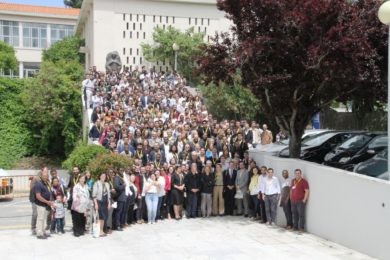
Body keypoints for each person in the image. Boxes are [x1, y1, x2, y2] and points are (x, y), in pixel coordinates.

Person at [33, 166, 55, 239]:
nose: (45, 177)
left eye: (46, 176)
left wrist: (50, 202)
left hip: (46, 205)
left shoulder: (47, 183)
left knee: (44, 219)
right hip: (41, 204)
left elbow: (49, 192)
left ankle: (43, 231)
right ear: (41, 176)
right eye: (44, 176)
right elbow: (38, 196)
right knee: (40, 219)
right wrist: (47, 202)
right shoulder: (39, 184)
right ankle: (39, 233)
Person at [93, 172, 111, 237]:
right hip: (99, 201)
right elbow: (94, 195)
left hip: (105, 202)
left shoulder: (107, 184)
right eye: (102, 175)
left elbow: (109, 195)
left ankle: (102, 230)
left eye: (104, 176)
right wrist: (95, 204)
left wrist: (109, 203)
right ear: (99, 176)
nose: (103, 177)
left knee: (105, 217)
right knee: (101, 217)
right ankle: (100, 231)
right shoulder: (96, 183)